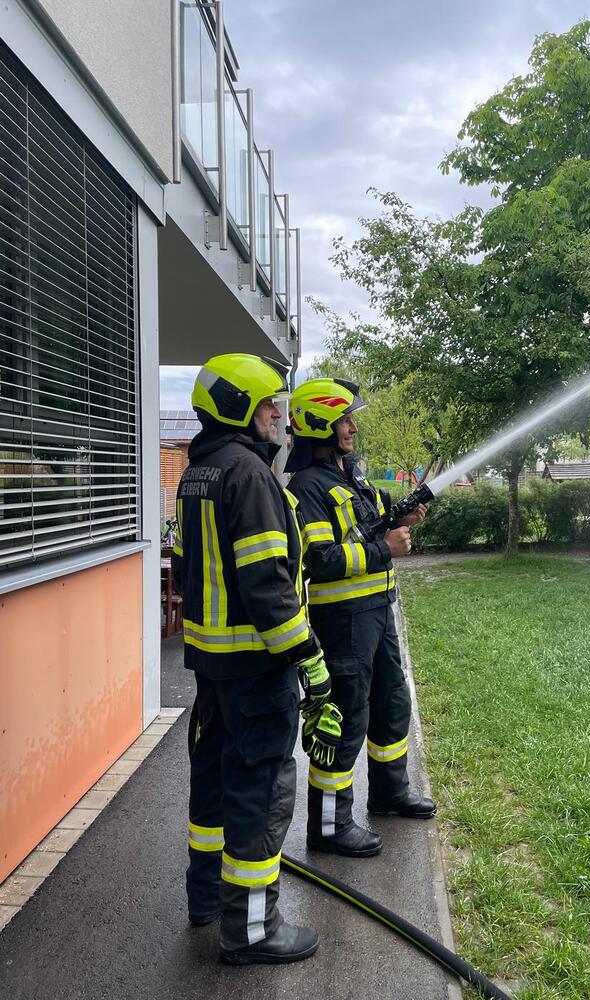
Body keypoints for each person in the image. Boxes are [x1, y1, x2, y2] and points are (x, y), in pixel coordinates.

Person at [172, 354, 340, 964]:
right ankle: (250, 930)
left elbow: (191, 571)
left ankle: (206, 899)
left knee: (214, 787)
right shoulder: (249, 475)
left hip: (212, 669)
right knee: (260, 793)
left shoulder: (198, 473)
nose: (277, 415)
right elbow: (269, 587)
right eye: (269, 404)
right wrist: (311, 662)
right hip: (256, 669)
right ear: (239, 406)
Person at [285, 376, 436, 859]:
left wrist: (400, 520)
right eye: (344, 420)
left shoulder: (351, 475)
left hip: (377, 613)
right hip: (344, 622)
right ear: (319, 425)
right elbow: (321, 559)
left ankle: (390, 793)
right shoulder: (307, 487)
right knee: (347, 718)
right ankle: (329, 827)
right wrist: (384, 549)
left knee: (391, 703)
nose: (352, 428)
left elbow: (365, 528)